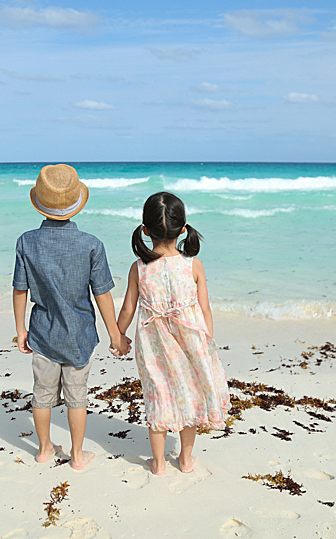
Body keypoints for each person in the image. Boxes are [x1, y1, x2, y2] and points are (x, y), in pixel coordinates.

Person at [13, 163, 131, 471]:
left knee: (41, 395)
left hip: (42, 333)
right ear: (76, 204)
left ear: (40, 202)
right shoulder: (91, 245)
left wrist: (20, 330)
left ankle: (43, 450)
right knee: (77, 397)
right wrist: (115, 335)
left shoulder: (26, 242)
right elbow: (102, 294)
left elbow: (19, 290)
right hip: (80, 336)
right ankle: (78, 455)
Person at [117, 191, 230, 475]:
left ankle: (157, 463)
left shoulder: (140, 268)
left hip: (153, 345)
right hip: (191, 342)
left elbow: (128, 308)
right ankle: (186, 459)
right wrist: (209, 344)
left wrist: (118, 336)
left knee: (159, 396)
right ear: (183, 228)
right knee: (190, 395)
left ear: (145, 230)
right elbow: (205, 309)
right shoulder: (193, 265)